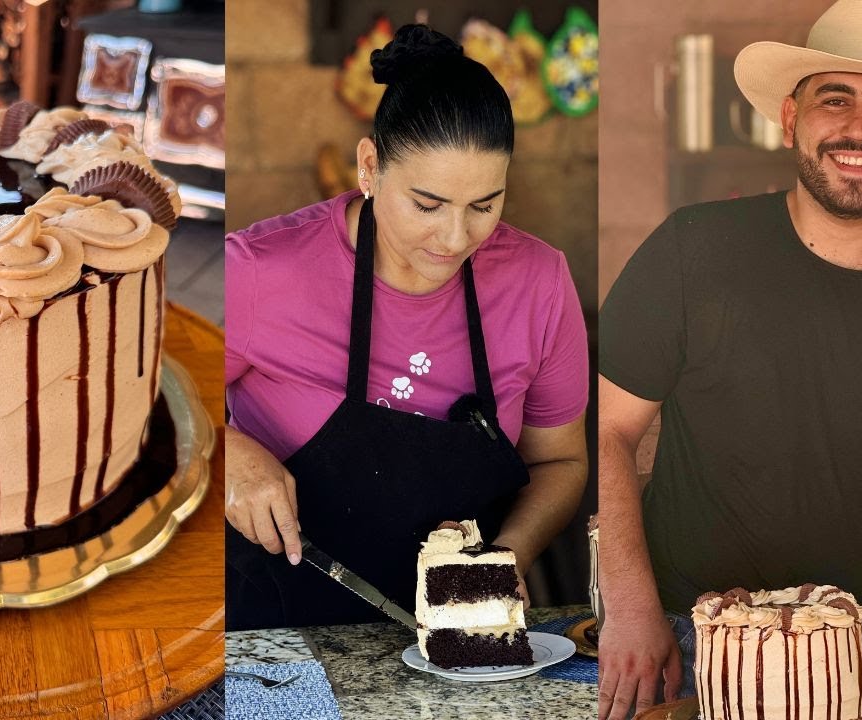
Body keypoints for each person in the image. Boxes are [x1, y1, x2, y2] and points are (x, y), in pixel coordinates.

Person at [597, 1, 862, 718]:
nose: (859, 128)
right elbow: (608, 433)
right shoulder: (691, 251)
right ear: (790, 119)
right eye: (834, 98)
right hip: (692, 638)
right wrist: (631, 610)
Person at [225, 25, 589, 630]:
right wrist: (228, 456)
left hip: (461, 635)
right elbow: (150, 407)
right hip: (276, 632)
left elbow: (560, 463)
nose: (455, 238)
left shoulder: (539, 282)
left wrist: (504, 559)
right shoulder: (261, 271)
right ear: (369, 166)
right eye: (428, 204)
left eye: (484, 206)